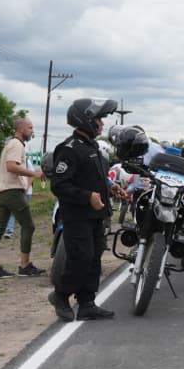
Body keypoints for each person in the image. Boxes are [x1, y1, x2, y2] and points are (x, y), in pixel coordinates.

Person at [47, 98, 126, 322]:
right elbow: (59, 185)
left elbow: (94, 177)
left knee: (94, 261)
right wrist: (87, 197)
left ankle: (87, 303)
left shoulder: (92, 147)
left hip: (96, 216)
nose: (102, 123)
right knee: (80, 259)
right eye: (99, 119)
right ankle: (61, 296)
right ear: (86, 120)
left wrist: (111, 188)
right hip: (77, 216)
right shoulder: (69, 149)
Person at [0, 118, 47, 280]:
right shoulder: (16, 144)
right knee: (29, 226)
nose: (32, 131)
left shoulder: (11, 144)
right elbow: (11, 166)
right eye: (30, 127)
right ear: (21, 129)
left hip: (3, 192)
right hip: (13, 192)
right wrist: (34, 174)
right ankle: (24, 265)